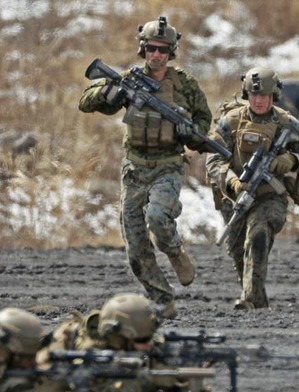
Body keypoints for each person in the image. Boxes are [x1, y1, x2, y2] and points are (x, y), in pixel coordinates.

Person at [78, 16, 213, 319]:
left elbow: (205, 122)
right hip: (135, 169)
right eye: (151, 48)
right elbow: (85, 103)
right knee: (135, 245)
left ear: (171, 52)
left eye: (163, 50)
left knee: (158, 218)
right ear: (143, 49)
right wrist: (108, 94)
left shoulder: (185, 85)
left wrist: (189, 131)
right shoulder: (130, 78)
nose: (156, 55)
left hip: (168, 165)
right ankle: (162, 298)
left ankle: (175, 251)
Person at [205, 67, 299, 310]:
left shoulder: (289, 125)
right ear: (246, 94)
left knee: (257, 235)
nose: (258, 100)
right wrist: (233, 181)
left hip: (270, 196)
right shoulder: (230, 122)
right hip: (236, 196)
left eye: (264, 95)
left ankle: (250, 299)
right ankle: (256, 297)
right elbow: (213, 160)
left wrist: (291, 160)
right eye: (254, 95)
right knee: (238, 251)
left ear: (273, 95)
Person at [40, 293, 211, 392]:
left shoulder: (143, 338)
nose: (149, 344)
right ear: (120, 338)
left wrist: (185, 391)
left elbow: (168, 380)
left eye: (150, 337)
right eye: (143, 340)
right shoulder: (90, 351)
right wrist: (146, 381)